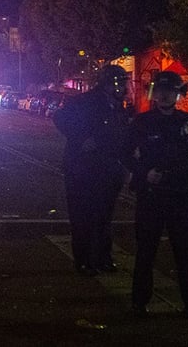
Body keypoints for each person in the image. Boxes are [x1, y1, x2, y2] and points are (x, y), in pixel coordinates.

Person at [125, 71, 188, 319]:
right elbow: (124, 154)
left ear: (177, 94)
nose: (164, 96)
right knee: (146, 252)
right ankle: (139, 303)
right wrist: (144, 173)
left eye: (170, 91)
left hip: (181, 197)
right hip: (152, 196)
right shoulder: (143, 122)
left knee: (184, 253)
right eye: (160, 91)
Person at [53, 64, 131, 276]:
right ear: (107, 84)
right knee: (82, 216)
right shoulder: (86, 101)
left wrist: (126, 166)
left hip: (108, 170)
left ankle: (103, 258)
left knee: (103, 217)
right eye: (119, 83)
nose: (122, 88)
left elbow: (121, 138)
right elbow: (60, 118)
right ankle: (83, 261)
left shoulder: (117, 106)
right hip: (83, 169)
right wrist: (81, 139)